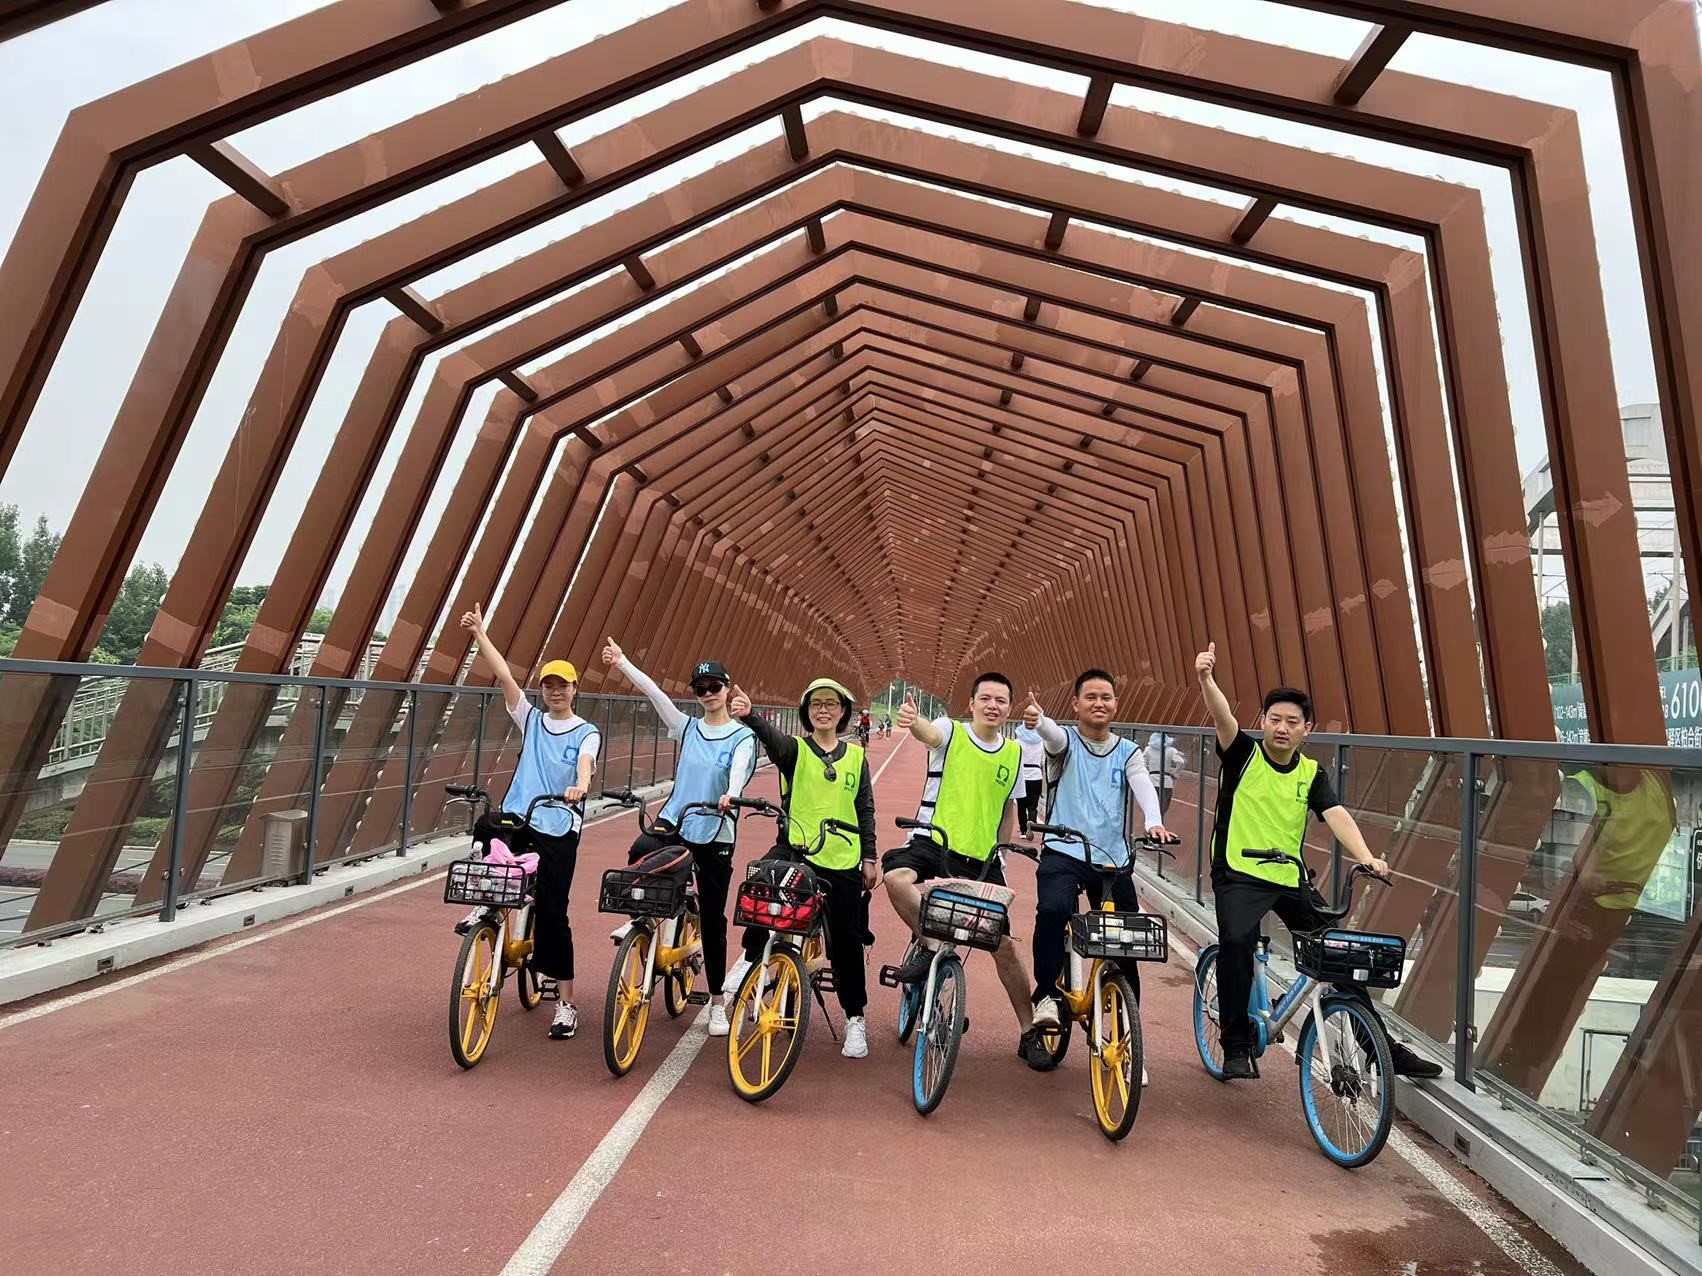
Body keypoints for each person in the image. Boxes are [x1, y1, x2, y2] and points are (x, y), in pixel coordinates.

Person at [1195, 642, 1441, 1080]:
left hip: (1289, 876)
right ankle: (1235, 1043)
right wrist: (1205, 679)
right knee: (1237, 942)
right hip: (1238, 873)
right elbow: (1222, 717)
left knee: (1336, 951)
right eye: (1275, 719)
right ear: (1262, 722)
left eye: (1292, 722)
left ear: (1307, 729)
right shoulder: (1243, 754)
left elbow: (1336, 814)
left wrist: (1367, 858)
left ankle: (1379, 1047)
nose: (1282, 728)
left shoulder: (1310, 772)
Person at [1020, 672, 1173, 1077]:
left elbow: (1142, 785)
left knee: (1128, 941)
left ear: (1116, 704)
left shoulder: (1129, 751)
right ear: (1076, 704)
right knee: (1053, 911)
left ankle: (1127, 1039)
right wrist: (1041, 720)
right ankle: (1046, 995)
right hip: (1064, 851)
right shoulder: (1065, 742)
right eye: (1091, 697)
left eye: (1106, 697)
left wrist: (1154, 821)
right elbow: (1052, 735)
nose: (1099, 703)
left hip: (1112, 858)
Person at [458, 605, 599, 1041]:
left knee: (553, 913)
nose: (555, 692)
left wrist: (579, 786)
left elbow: (586, 763)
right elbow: (504, 676)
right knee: (488, 825)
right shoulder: (532, 720)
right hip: (521, 816)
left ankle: (566, 1003)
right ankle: (486, 904)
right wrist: (480, 634)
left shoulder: (586, 731)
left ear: (574, 689)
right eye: (549, 685)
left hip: (559, 825)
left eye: (562, 685)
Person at [603, 639, 757, 1038]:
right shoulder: (687, 727)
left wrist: (732, 794)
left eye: (714, 687)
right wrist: (623, 663)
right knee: (642, 849)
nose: (708, 694)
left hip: (716, 829)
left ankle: (717, 1003)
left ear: (727, 688)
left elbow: (740, 769)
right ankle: (642, 918)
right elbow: (655, 693)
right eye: (700, 689)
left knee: (713, 919)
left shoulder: (741, 738)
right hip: (676, 820)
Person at [881, 677, 1039, 1051]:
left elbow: (1008, 809)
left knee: (1003, 946)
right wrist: (914, 721)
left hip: (982, 857)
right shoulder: (951, 731)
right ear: (971, 703)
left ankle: (1029, 1031)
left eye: (1001, 700)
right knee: (896, 878)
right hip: (933, 841)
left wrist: (1001, 852)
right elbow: (929, 733)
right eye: (985, 698)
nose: (992, 705)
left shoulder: (1014, 753)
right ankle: (931, 944)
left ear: (1009, 708)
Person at [726, 678, 879, 1059]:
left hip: (843, 857)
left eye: (831, 704)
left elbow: (865, 809)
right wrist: (751, 717)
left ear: (843, 712)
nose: (823, 710)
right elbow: (774, 741)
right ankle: (750, 959)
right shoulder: (795, 750)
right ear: (807, 712)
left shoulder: (856, 757)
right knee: (761, 880)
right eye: (816, 704)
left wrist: (870, 856)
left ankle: (855, 1018)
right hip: (798, 849)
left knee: (846, 941)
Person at [1013, 719, 1046, 838]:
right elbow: (1043, 762)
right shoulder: (1041, 743)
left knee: (1021, 806)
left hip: (1022, 775)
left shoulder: (1017, 742)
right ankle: (1031, 826)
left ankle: (1023, 830)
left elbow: (1014, 760)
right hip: (1036, 775)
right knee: (1033, 805)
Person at [1143, 731, 1187, 817]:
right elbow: (1181, 762)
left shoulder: (1148, 749)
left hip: (1151, 782)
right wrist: (1175, 773)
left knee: (1151, 808)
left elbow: (1143, 764)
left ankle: (1152, 822)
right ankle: (1159, 822)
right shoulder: (1171, 750)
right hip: (1166, 783)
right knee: (1162, 809)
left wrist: (1147, 773)